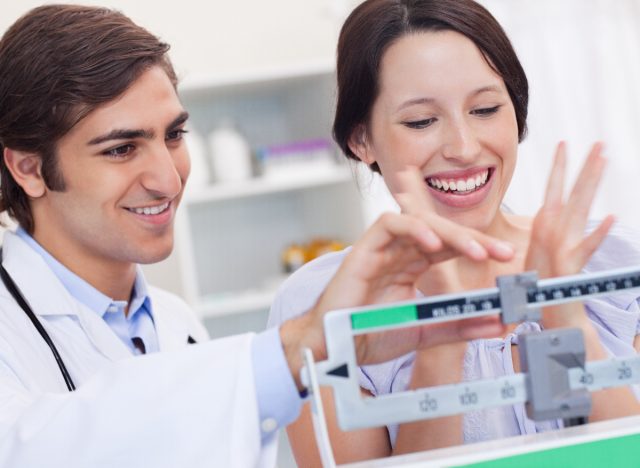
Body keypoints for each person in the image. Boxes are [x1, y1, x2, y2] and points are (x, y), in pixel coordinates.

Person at [0, 4, 520, 467]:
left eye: (174, 135)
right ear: (29, 168)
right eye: (121, 149)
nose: (168, 177)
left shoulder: (174, 323)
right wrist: (298, 349)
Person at [268, 0, 640, 465]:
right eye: (421, 121)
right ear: (361, 140)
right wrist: (442, 347)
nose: (464, 148)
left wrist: (565, 321)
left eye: (485, 109)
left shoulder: (613, 261)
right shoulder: (321, 303)